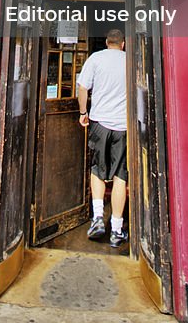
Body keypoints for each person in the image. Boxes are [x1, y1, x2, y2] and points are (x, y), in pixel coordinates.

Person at [76, 28, 128, 247]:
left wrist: (82, 113)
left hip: (99, 123)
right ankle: (116, 229)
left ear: (107, 42)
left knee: (97, 170)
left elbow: (82, 87)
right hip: (123, 125)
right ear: (123, 44)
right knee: (120, 176)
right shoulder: (130, 60)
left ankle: (98, 218)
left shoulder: (95, 58)